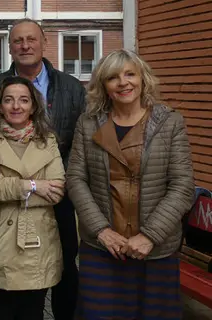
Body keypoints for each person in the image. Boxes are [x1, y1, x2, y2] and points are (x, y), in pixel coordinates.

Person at [66, 50, 195, 320]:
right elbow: (76, 180)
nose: (123, 83)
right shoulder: (88, 124)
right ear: (104, 86)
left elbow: (182, 186)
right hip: (102, 250)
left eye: (130, 74)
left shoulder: (170, 123)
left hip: (155, 251)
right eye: (113, 77)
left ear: (143, 79)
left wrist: (149, 236)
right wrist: (101, 230)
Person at [0, 18, 85, 320]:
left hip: (57, 201)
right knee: (5, 288)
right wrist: (34, 185)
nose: (25, 45)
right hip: (7, 214)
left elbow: (81, 141)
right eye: (18, 41)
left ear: (44, 42)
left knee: (61, 266)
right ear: (10, 47)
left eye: (31, 39)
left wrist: (53, 178)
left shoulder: (72, 87)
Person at [0, 76, 65, 320]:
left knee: (33, 310)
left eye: (23, 100)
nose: (16, 106)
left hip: (38, 239)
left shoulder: (47, 141)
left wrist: (10, 187)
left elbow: (57, 190)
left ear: (34, 106)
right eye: (9, 100)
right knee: (0, 309)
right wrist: (36, 185)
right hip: (1, 240)